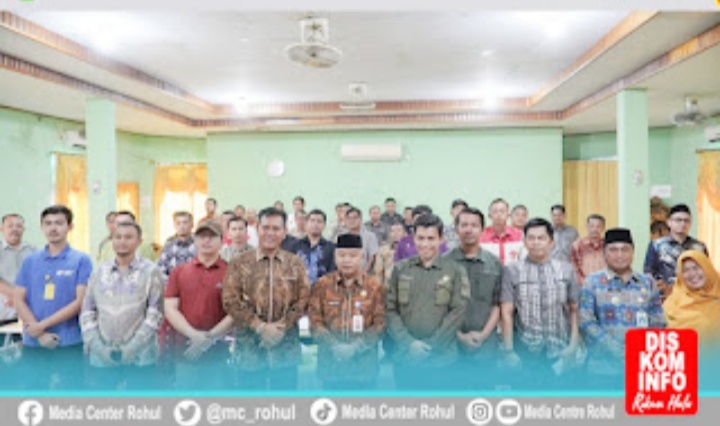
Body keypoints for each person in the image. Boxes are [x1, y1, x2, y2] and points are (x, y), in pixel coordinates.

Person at [222, 207, 310, 390]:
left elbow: (303, 299)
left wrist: (281, 327)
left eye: (276, 228)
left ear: (284, 232)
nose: (270, 233)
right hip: (250, 349)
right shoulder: (239, 263)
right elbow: (230, 300)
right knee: (252, 404)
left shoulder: (295, 263)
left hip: (285, 348)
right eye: (265, 228)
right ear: (257, 229)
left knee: (284, 403)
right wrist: (260, 327)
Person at [386, 214, 469, 389]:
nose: (425, 244)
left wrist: (431, 346)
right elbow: (390, 309)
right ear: (413, 238)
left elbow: (458, 312)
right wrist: (409, 343)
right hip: (406, 358)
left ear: (441, 239)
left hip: (441, 360)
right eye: (421, 238)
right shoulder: (400, 269)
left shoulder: (455, 270)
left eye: (431, 238)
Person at [13, 205, 92, 389]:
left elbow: (80, 302)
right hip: (34, 342)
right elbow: (18, 299)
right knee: (33, 395)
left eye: (58, 223)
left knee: (70, 395)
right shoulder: (30, 260)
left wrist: (42, 326)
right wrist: (39, 333)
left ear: (70, 227)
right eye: (48, 223)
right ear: (42, 227)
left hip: (68, 341)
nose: (53, 228)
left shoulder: (81, 260)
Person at [80, 222, 164, 389]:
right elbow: (87, 312)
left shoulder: (151, 272)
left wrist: (131, 349)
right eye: (117, 237)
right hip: (102, 357)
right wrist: (99, 348)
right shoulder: (99, 272)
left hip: (141, 358)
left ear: (139, 241)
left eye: (128, 237)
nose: (122, 241)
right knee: (105, 404)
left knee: (140, 403)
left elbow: (155, 315)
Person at [499, 218, 581, 388]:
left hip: (560, 350)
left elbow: (574, 309)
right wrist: (509, 351)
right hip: (526, 352)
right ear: (524, 242)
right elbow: (506, 312)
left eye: (541, 238)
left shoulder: (566, 270)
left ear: (551, 242)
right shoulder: (512, 270)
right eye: (531, 238)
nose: (536, 242)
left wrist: (573, 345)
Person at [579, 228, 665, 388]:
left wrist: (639, 349)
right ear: (604, 253)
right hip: (602, 369)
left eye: (625, 249)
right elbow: (585, 322)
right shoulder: (592, 282)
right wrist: (618, 350)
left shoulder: (647, 282)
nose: (619, 255)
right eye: (613, 250)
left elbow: (658, 321)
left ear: (633, 252)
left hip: (640, 367)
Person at [309, 234, 385, 390]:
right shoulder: (322, 285)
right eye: (342, 255)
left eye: (352, 255)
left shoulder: (374, 286)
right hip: (331, 368)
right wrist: (335, 346)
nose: (347, 260)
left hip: (364, 369)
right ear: (335, 257)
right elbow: (314, 322)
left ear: (362, 257)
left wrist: (355, 347)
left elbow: (380, 324)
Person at [164, 222, 234, 390]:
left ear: (222, 241)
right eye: (202, 236)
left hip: (218, 351)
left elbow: (235, 312)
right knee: (186, 400)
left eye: (212, 236)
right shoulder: (179, 272)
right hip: (186, 350)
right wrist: (194, 335)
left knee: (216, 400)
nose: (206, 240)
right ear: (195, 240)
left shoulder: (232, 272)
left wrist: (209, 338)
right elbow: (170, 308)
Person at [445, 207, 502, 389]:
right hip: (451, 347)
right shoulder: (444, 262)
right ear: (456, 229)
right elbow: (439, 307)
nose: (469, 229)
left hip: (486, 348)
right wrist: (459, 336)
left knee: (483, 400)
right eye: (464, 225)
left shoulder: (494, 263)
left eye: (474, 225)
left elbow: (498, 304)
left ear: (482, 229)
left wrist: (483, 335)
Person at [644, 203, 708, 298]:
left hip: (693, 296)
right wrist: (663, 287)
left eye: (686, 221)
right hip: (665, 297)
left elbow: (706, 272)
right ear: (669, 222)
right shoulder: (657, 245)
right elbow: (649, 272)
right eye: (678, 220)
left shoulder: (699, 247)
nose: (683, 224)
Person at [663, 250, 720, 350]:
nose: (692, 274)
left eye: (696, 268)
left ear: (707, 268)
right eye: (685, 270)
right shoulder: (671, 304)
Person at [0, 214, 35, 324]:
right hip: (4, 309)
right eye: (10, 226)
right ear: (2, 229)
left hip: (28, 308)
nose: (14, 229)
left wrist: (21, 297)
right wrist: (14, 295)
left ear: (23, 229)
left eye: (18, 226)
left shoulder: (33, 251)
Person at [294, 209, 336, 286]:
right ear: (306, 223)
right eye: (312, 221)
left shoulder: (331, 248)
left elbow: (333, 272)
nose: (315, 224)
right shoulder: (295, 246)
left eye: (319, 221)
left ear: (324, 225)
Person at [479, 198, 523, 265]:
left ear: (508, 215)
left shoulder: (519, 235)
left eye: (502, 211)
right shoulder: (481, 236)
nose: (498, 215)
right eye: (495, 212)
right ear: (489, 216)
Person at [157, 211, 196, 280]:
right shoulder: (168, 246)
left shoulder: (200, 245)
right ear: (174, 225)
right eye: (178, 223)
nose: (182, 226)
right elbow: (160, 270)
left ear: (192, 224)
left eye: (185, 222)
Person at [339, 207, 379, 273]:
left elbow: (372, 258)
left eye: (355, 218)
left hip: (364, 273)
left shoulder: (370, 236)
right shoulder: (342, 236)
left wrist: (362, 274)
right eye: (349, 218)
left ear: (360, 220)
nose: (352, 221)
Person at [570, 214, 607, 284]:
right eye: (591, 226)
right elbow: (574, 268)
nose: (595, 229)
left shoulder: (607, 245)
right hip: (584, 285)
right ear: (587, 227)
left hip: (605, 284)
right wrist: (584, 283)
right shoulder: (577, 245)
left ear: (603, 228)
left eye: (598, 226)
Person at [373, 222, 406, 289]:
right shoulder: (383, 250)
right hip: (388, 287)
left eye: (398, 230)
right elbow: (378, 273)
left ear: (405, 233)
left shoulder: (412, 250)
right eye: (392, 231)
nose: (395, 234)